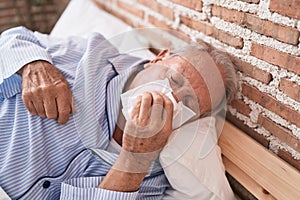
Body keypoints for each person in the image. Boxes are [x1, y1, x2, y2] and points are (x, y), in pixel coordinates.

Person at [0, 26, 237, 199]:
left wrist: (134, 160)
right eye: (173, 79)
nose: (170, 98)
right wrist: (33, 65)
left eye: (189, 103)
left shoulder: (151, 180)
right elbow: (13, 38)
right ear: (158, 59)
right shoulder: (91, 55)